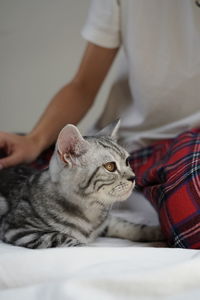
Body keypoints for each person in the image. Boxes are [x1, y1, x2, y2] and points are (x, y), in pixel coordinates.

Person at [0, 0, 200, 248]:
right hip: (135, 143)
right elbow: (82, 84)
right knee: (32, 169)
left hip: (191, 142)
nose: (130, 176)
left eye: (124, 167)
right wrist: (34, 140)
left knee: (193, 219)